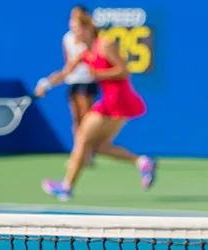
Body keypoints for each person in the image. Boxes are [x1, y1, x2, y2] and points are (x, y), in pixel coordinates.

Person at [34, 13, 157, 201]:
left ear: (88, 28)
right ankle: (142, 162)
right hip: (114, 101)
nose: (74, 34)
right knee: (98, 147)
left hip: (118, 99)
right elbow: (66, 73)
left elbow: (124, 70)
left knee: (82, 136)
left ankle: (66, 187)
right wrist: (45, 84)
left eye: (77, 29)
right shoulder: (83, 53)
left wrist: (98, 74)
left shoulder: (105, 44)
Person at [61, 6, 99, 168]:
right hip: (72, 81)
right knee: (76, 119)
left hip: (87, 80)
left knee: (86, 120)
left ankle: (87, 153)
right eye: (72, 17)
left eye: (77, 16)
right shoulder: (66, 38)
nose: (73, 19)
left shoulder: (91, 38)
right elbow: (68, 63)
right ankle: (79, 153)